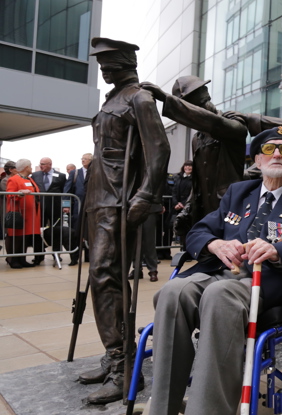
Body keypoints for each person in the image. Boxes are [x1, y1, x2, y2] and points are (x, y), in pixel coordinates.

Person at [149, 127, 282, 415]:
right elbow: (199, 231)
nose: (277, 154)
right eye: (269, 149)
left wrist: (279, 250)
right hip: (217, 271)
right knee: (173, 291)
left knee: (219, 294)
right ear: (258, 161)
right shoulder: (238, 193)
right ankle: (162, 409)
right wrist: (215, 244)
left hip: (263, 281)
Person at [78, 37, 171, 404]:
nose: (103, 68)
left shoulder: (139, 99)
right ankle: (116, 354)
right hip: (99, 199)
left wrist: (145, 195)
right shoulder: (111, 100)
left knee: (107, 274)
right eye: (102, 63)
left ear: (125, 62)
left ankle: (123, 368)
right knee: (102, 278)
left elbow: (159, 150)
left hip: (120, 199)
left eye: (109, 62)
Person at [142, 76, 248, 227]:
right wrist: (187, 209)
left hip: (230, 209)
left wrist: (167, 99)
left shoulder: (233, 122)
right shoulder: (196, 139)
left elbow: (215, 123)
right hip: (204, 213)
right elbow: (198, 181)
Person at [4, 159, 42, 269]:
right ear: (25, 167)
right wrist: (19, 194)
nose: (31, 167)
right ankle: (13, 260)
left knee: (25, 237)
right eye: (30, 166)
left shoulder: (30, 179)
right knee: (17, 237)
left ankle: (22, 259)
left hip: (30, 214)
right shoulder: (13, 179)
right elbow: (9, 194)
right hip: (19, 213)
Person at [64, 153, 92, 264]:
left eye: (86, 159)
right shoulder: (75, 173)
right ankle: (74, 257)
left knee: (90, 232)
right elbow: (67, 189)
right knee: (75, 232)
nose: (83, 161)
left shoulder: (95, 172)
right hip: (77, 208)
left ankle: (89, 256)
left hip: (90, 207)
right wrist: (65, 205)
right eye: (82, 159)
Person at [171, 160, 193, 248]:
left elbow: (192, 193)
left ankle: (187, 248)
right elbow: (174, 192)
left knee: (188, 229)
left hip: (188, 207)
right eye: (186, 166)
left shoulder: (194, 179)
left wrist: (184, 204)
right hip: (178, 207)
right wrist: (176, 203)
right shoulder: (178, 177)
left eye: (190, 166)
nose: (187, 168)